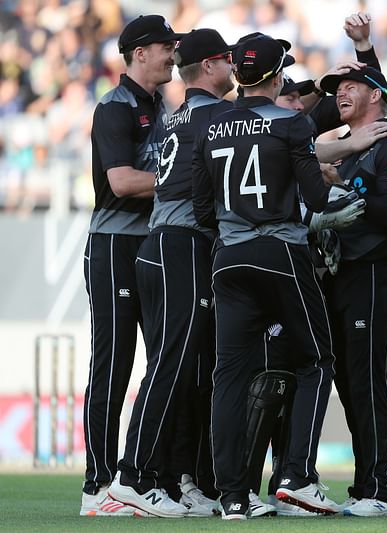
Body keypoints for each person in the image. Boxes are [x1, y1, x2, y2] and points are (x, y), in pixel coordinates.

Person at [192, 34, 341, 520]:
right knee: (316, 360)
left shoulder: (209, 122)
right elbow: (316, 200)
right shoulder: (292, 123)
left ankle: (233, 495)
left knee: (230, 376)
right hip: (280, 252)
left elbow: (200, 206)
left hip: (229, 259)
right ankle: (296, 476)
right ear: (277, 76)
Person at [108, 28, 237, 518]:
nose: (233, 70)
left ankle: (166, 478)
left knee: (180, 364)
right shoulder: (218, 116)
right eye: (228, 60)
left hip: (160, 246)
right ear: (209, 66)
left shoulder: (176, 116)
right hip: (180, 246)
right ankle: (132, 476)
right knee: (170, 362)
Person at [80, 14, 182, 518]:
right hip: (115, 245)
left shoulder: (162, 105)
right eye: (166, 46)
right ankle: (97, 487)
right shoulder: (114, 108)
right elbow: (121, 182)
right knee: (114, 365)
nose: (173, 55)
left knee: (165, 358)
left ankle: (144, 479)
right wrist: (185, 177)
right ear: (139, 52)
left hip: (151, 243)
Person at [316, 65, 387, 517]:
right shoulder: (347, 147)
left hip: (372, 270)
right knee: (348, 379)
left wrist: (342, 186)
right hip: (339, 272)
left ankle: (383, 487)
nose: (341, 94)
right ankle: (367, 482)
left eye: (351, 87)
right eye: (338, 89)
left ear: (377, 96)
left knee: (367, 377)